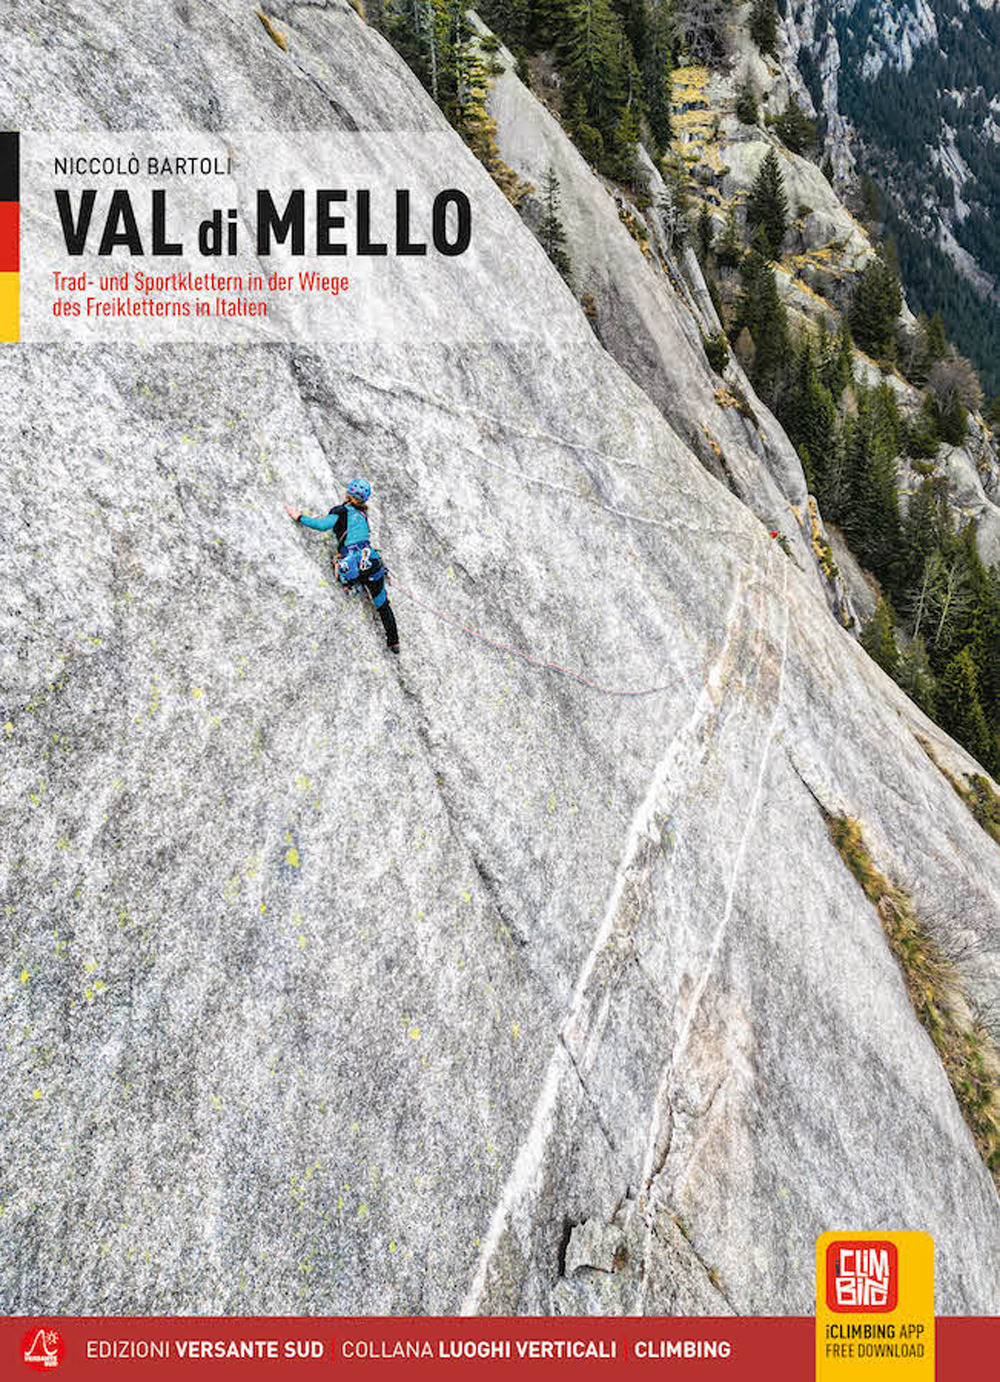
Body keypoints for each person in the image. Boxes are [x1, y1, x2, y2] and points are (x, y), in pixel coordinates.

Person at [285, 478, 400, 654]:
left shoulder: (341, 512)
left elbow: (322, 525)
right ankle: (394, 642)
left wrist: (299, 517)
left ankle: (350, 585)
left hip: (353, 566)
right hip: (373, 564)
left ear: (348, 494)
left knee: (339, 562)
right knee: (383, 605)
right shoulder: (363, 515)